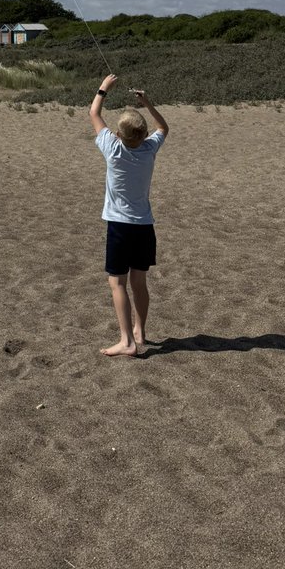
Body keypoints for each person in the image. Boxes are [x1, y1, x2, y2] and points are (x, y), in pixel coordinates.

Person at [89, 73, 169, 358]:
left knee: (117, 283)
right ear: (143, 135)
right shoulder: (149, 148)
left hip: (120, 227)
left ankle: (128, 341)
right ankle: (140, 330)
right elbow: (164, 127)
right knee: (139, 282)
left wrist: (103, 88)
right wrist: (146, 103)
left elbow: (94, 113)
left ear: (119, 135)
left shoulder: (113, 148)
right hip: (144, 226)